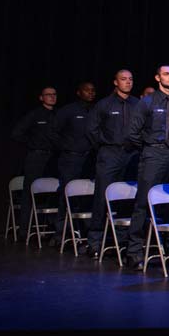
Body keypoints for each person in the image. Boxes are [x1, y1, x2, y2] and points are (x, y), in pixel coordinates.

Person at [124, 65, 169, 272]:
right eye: (167, 74)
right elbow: (133, 133)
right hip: (154, 154)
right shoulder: (147, 101)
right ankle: (134, 252)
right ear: (158, 77)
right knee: (143, 202)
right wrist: (150, 147)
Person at [86, 70, 140, 256]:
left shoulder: (137, 104)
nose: (128, 82)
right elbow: (91, 129)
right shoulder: (104, 104)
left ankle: (122, 240)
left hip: (131, 154)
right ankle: (95, 241)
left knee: (127, 197)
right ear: (115, 82)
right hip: (109, 153)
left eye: (130, 79)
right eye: (123, 79)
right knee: (102, 196)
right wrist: (104, 146)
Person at [11, 87, 60, 242]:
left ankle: (52, 229)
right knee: (29, 192)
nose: (52, 97)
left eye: (54, 94)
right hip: (36, 157)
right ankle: (24, 231)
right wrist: (33, 143)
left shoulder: (58, 114)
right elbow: (16, 133)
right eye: (48, 95)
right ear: (41, 97)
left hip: (54, 157)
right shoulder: (34, 114)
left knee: (55, 191)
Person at [53, 81, 97, 238]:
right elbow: (53, 132)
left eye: (93, 90)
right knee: (67, 195)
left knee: (87, 195)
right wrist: (67, 147)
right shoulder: (68, 110)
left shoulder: (96, 110)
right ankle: (61, 234)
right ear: (79, 92)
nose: (91, 93)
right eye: (87, 90)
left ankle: (85, 231)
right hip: (71, 159)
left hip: (90, 159)